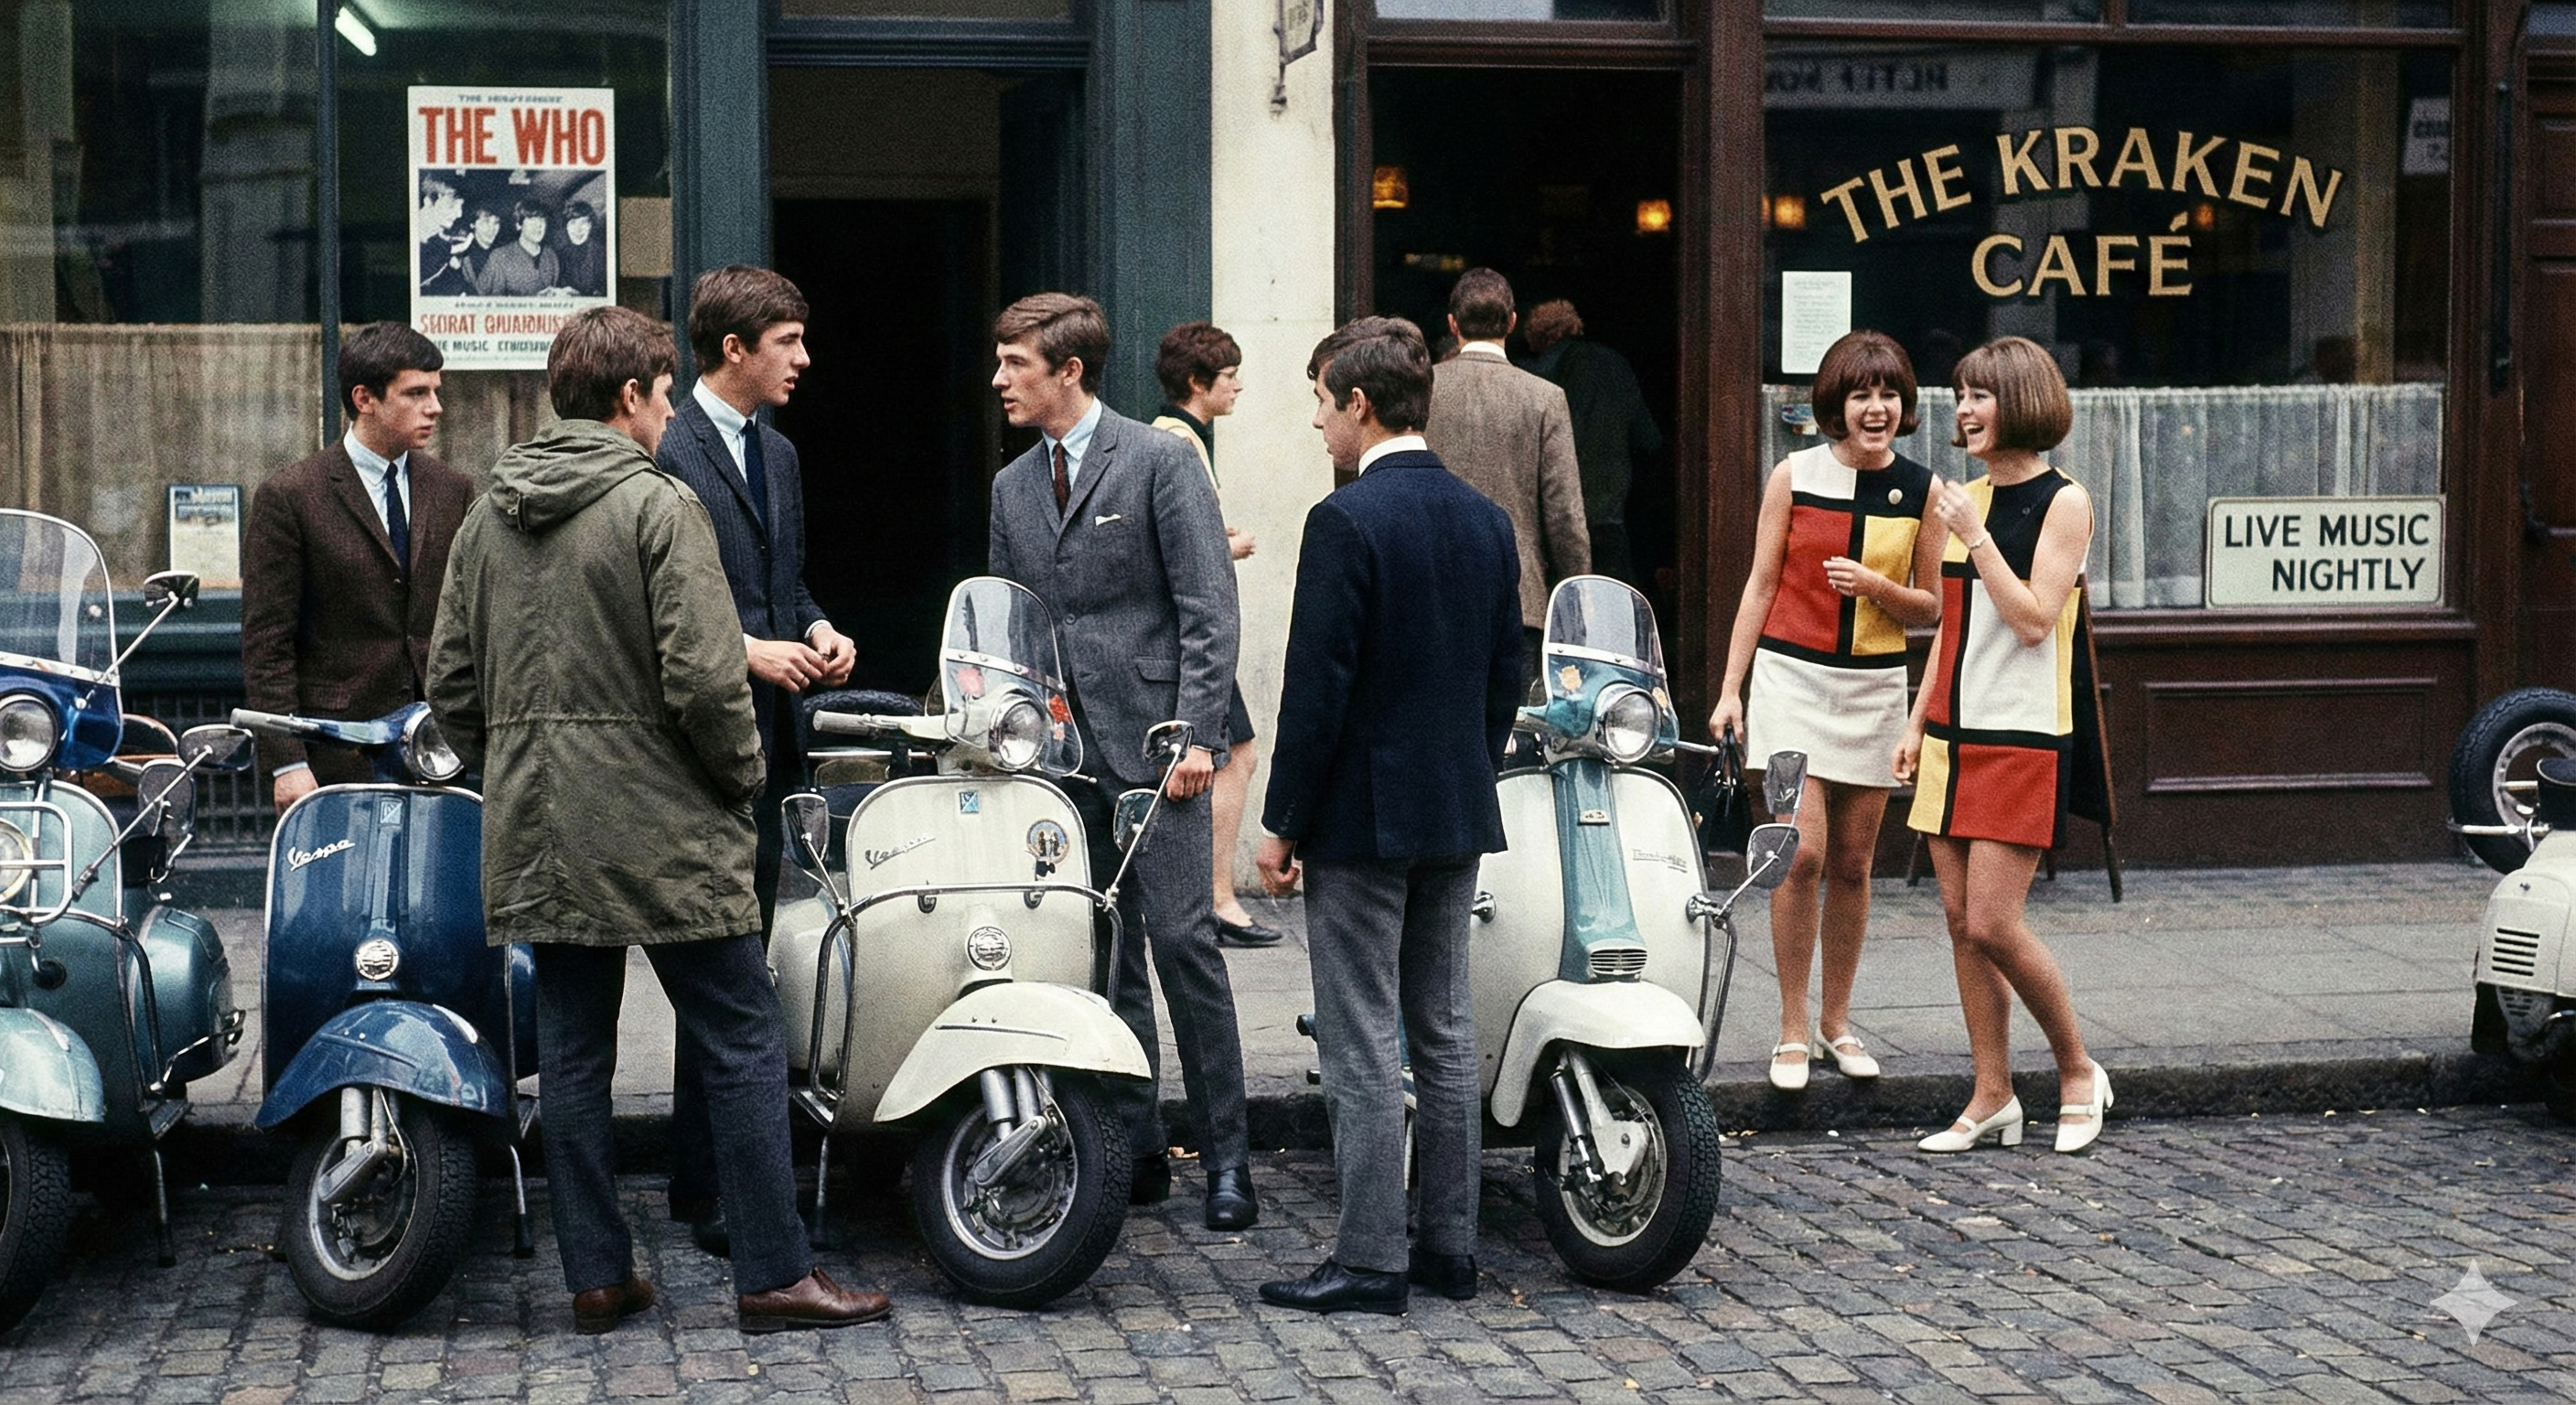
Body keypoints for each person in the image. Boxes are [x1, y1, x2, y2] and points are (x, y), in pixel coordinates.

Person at [425, 304, 891, 1335]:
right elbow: (704, 676)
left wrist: (518, 765)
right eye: (664, 393)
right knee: (741, 1035)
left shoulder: (489, 509)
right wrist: (740, 780)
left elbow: (449, 685)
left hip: (541, 822)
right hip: (666, 818)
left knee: (575, 1051)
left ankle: (596, 1275)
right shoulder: (657, 503)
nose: (669, 409)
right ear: (630, 397)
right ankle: (775, 1273)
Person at [1253, 316, 1522, 1315]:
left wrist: (1279, 821)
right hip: (1455, 802)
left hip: (1363, 816)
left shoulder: (1347, 520)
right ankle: (1448, 1249)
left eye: (1323, 406)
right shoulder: (1484, 519)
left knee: (1363, 1038)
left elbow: (1314, 690)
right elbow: (1506, 674)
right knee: (1443, 1032)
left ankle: (1370, 1259)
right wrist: (1468, 766)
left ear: (1359, 405)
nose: (1319, 426)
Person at [986, 292, 1259, 1231]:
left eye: (1015, 363)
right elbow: (1009, 625)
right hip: (1063, 766)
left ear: (1068, 371)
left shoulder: (1157, 461)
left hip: (1157, 750)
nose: (999, 380)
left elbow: (1207, 609)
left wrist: (1195, 734)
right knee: (1104, 960)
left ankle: (1228, 1158)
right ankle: (1137, 1148)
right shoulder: (1011, 487)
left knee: (1183, 947)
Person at [654, 264, 853, 1254]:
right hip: (689, 751)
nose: (804, 360)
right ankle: (710, 1191)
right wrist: (746, 651)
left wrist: (816, 628)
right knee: (721, 971)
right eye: (788, 343)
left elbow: (781, 581)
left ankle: (728, 1179)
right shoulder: (665, 448)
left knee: (748, 965)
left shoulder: (777, 455)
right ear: (733, 349)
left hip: (774, 748)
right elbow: (651, 610)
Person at [1893, 335, 2111, 1156]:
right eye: (1961, 395)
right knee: (1957, 921)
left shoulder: (2064, 502)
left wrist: (1973, 533)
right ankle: (1992, 1094)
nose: (1965, 410)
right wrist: (1917, 723)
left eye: (1980, 395)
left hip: (2022, 735)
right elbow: (1952, 629)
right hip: (1952, 730)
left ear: (2020, 401)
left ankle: (2079, 1068)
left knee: (1993, 922)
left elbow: (2030, 620)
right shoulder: (1966, 497)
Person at [1710, 330, 1942, 1093]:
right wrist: (1731, 688)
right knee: (1798, 854)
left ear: (1904, 405)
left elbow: (1933, 609)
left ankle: (1838, 1023)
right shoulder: (1794, 475)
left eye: (1888, 395)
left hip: (1873, 688)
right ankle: (1789, 1027)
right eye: (1860, 395)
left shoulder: (1924, 489)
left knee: (1851, 863)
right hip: (1789, 684)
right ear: (1835, 404)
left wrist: (1877, 588)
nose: (1876, 409)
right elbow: (1760, 583)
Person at [242, 322, 474, 807]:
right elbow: (268, 642)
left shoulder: (453, 490)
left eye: (436, 391)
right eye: (416, 393)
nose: (435, 407)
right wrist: (287, 760)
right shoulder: (292, 496)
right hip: (336, 754)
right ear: (364, 398)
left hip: (440, 750)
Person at [1150, 320, 1278, 948]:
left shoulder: (1174, 438)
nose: (1239, 388)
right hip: (1196, 637)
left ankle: (1209, 896)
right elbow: (1182, 552)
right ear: (1198, 382)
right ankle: (1218, 898)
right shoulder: (1179, 443)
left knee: (1233, 757)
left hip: (1188, 635)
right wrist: (1235, 546)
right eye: (1229, 378)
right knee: (1237, 757)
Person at [1422, 268, 1588, 677]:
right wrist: (1576, 597)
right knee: (1511, 732)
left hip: (1428, 590)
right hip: (1518, 595)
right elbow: (1564, 513)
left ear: (1452, 324)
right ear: (1512, 323)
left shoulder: (1421, 389)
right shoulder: (1545, 399)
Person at [1518, 300, 1662, 585]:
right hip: (1609, 514)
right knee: (1612, 605)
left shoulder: (1533, 375)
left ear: (1536, 339)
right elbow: (1649, 439)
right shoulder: (1616, 363)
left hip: (1556, 518)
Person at [475, 199, 561, 296]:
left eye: (542, 220)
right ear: (519, 225)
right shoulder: (499, 257)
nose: (539, 226)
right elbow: (480, 297)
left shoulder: (551, 255)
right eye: (532, 220)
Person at [415, 176, 471, 295]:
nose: (459, 214)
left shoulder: (439, 238)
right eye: (451, 206)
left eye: (460, 206)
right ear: (428, 201)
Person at [557, 200, 607, 296]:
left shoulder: (603, 253)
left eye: (584, 222)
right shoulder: (559, 255)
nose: (578, 229)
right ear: (566, 227)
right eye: (573, 223)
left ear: (591, 225)